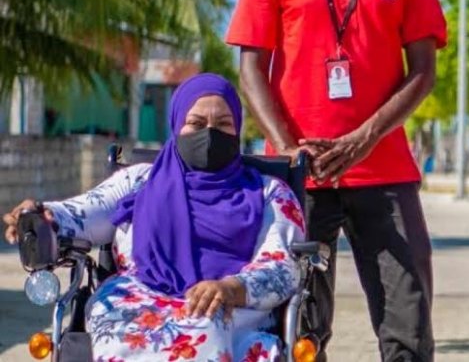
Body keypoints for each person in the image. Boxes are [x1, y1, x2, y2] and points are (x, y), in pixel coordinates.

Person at [224, 0, 446, 359]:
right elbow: (251, 67)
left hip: (385, 170)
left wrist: (365, 138)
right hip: (299, 171)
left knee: (407, 326)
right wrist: (288, 145)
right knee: (297, 325)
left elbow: (423, 72)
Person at [3, 73, 306, 361]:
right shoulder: (141, 180)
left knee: (204, 328)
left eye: (223, 124)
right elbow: (84, 211)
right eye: (196, 123)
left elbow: (282, 265)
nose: (209, 134)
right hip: (140, 295)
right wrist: (42, 216)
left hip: (230, 305)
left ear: (237, 129)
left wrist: (231, 288)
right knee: (119, 324)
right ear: (176, 125)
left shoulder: (269, 192)